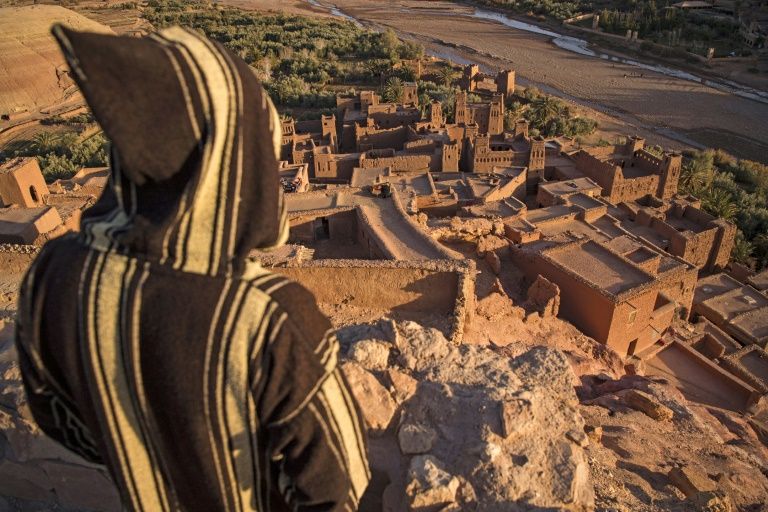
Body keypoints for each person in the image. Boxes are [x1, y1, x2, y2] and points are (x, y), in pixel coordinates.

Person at [15, 24, 370, 511]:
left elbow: (58, 418)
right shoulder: (270, 317)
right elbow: (341, 492)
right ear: (238, 158)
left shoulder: (53, 276)